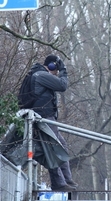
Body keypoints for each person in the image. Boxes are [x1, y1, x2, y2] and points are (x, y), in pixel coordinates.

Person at [30, 54, 78, 191]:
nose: (57, 73)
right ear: (51, 66)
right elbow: (62, 85)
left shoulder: (39, 74)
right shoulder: (41, 75)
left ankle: (66, 180)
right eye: (56, 69)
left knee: (59, 145)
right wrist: (63, 71)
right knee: (52, 148)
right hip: (43, 117)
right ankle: (59, 183)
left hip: (45, 117)